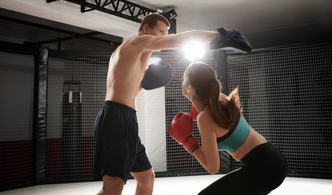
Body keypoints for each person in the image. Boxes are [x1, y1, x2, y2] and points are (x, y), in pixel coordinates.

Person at [94, 13, 221, 195]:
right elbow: (177, 40)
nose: (164, 36)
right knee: (113, 188)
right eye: (161, 31)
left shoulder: (138, 56)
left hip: (127, 119)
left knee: (146, 178)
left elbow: (128, 88)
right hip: (116, 119)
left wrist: (144, 83)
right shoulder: (134, 43)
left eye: (166, 32)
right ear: (146, 28)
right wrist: (217, 36)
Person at [169, 62, 288, 195]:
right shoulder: (220, 99)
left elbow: (212, 167)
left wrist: (187, 141)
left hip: (264, 167)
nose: (181, 81)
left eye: (183, 78)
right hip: (272, 161)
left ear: (190, 88)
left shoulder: (205, 118)